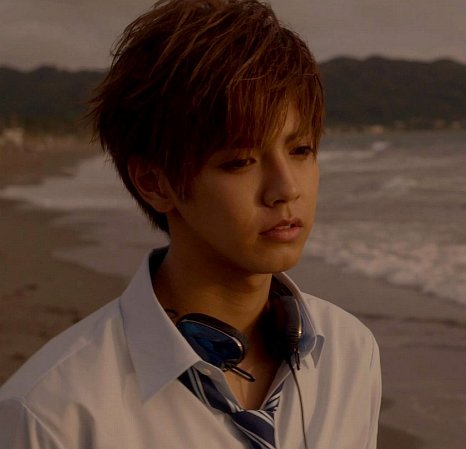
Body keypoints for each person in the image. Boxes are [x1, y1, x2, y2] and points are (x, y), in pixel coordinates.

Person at [0, 1, 381, 448]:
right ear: (154, 182)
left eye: (301, 151)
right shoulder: (52, 414)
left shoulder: (348, 353)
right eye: (240, 161)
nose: (286, 188)